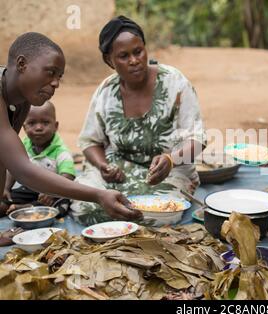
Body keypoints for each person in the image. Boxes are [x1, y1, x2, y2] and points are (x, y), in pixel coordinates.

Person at [70, 16, 206, 225]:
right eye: (123, 56)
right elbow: (90, 142)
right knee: (84, 207)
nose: (134, 60)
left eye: (138, 51)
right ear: (109, 60)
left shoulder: (175, 83)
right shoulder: (106, 91)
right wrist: (104, 166)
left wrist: (171, 160)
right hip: (119, 172)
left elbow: (197, 140)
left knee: (160, 213)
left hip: (169, 173)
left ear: (145, 49)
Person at [0, 32, 141, 229]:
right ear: (22, 64)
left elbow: (4, 158)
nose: (56, 83)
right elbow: (23, 170)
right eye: (50, 72)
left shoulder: (21, 101)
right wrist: (98, 195)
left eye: (59, 77)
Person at [1, 102, 75, 216]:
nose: (39, 128)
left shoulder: (60, 150)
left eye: (45, 123)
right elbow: (13, 170)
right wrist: (5, 188)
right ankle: (16, 207)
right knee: (5, 199)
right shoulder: (23, 145)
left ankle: (24, 208)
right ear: (24, 127)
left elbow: (68, 176)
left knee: (61, 205)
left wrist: (52, 192)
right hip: (29, 189)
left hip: (52, 191)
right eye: (32, 123)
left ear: (55, 126)